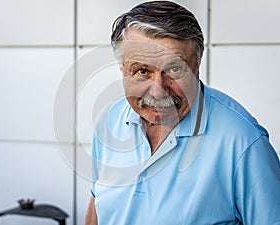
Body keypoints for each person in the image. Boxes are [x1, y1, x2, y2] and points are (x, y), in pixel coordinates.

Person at [85, 1, 280, 224]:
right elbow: (97, 206)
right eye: (142, 70)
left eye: (175, 69)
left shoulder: (243, 140)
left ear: (198, 66)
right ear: (123, 69)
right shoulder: (108, 121)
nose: (158, 92)